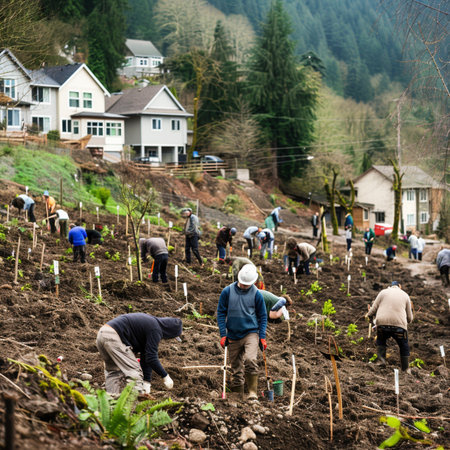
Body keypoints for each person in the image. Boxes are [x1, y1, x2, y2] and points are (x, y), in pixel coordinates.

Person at [96, 313, 182, 395]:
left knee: (114, 372)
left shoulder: (151, 324)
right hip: (113, 337)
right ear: (170, 331)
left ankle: (111, 404)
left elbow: (146, 357)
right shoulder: (155, 330)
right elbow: (152, 358)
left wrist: (146, 382)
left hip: (102, 333)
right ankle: (134, 405)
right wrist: (165, 376)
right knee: (134, 372)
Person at [217, 264, 267, 400]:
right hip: (233, 334)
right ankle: (238, 396)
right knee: (236, 367)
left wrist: (261, 336)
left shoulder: (257, 294)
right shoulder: (227, 292)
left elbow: (263, 316)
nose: (245, 286)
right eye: (243, 284)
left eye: (247, 285)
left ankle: (252, 393)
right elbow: (221, 313)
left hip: (251, 332)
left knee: (251, 360)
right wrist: (223, 334)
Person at [365, 281, 413, 371]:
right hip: (399, 326)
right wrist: (405, 322)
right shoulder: (405, 295)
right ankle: (406, 368)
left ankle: (381, 362)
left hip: (382, 324)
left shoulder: (383, 292)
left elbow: (373, 309)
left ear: (390, 286)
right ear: (400, 286)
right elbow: (410, 318)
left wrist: (370, 316)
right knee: (404, 345)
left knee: (381, 340)